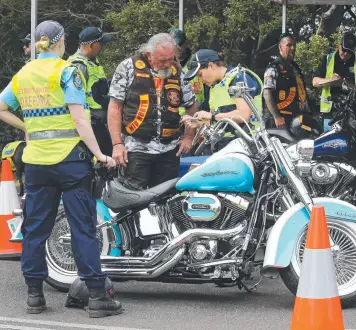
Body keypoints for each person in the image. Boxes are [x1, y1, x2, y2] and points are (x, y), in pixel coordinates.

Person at [0, 20, 122, 318]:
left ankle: (34, 296)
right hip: (70, 161)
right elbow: (80, 120)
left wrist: (27, 125)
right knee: (82, 227)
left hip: (37, 163)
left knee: (35, 229)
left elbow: (1, 108)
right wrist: (99, 154)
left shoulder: (23, 74)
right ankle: (96, 296)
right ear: (60, 41)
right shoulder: (67, 71)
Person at [108, 33, 198, 190]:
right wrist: (117, 144)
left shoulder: (177, 71)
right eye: (163, 60)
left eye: (171, 59)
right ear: (149, 55)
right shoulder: (128, 67)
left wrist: (189, 136)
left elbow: (192, 105)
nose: (168, 64)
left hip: (170, 150)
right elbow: (115, 107)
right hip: (136, 148)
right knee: (133, 199)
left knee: (165, 199)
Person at [181, 49, 263, 150]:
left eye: (200, 75)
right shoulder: (216, 87)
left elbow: (243, 115)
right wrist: (200, 122)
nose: (200, 80)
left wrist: (211, 116)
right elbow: (222, 120)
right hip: (224, 145)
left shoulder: (239, 77)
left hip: (248, 144)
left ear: (211, 66)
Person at [68, 27, 114, 156]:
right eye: (101, 44)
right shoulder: (78, 66)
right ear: (91, 45)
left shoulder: (93, 62)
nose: (102, 47)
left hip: (99, 122)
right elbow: (73, 99)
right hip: (90, 124)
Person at [263, 32, 309, 129]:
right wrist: (277, 117)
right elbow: (267, 93)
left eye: (294, 45)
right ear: (280, 47)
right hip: (279, 121)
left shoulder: (295, 67)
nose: (293, 48)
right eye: (289, 45)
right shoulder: (273, 67)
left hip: (295, 119)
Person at [313, 32, 356, 132]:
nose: (345, 54)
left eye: (349, 52)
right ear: (339, 46)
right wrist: (331, 81)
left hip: (352, 114)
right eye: (344, 50)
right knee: (329, 144)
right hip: (330, 113)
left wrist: (344, 83)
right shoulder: (328, 59)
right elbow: (315, 82)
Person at [169, 29, 209, 112]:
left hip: (196, 116)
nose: (178, 48)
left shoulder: (196, 63)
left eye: (180, 44)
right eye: (174, 45)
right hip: (176, 119)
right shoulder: (167, 67)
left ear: (186, 43)